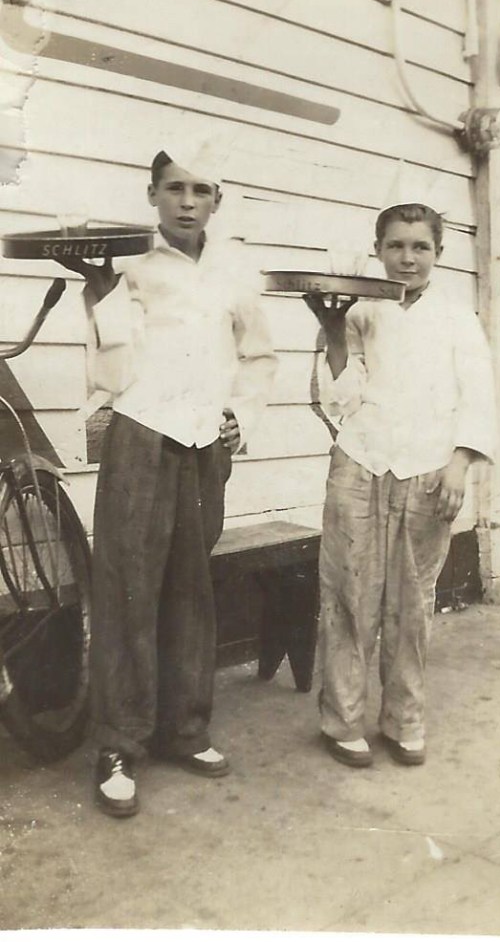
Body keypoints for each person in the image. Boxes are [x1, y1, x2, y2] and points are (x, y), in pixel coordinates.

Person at [62, 144, 277, 817]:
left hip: (205, 443)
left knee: (191, 587)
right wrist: (102, 294)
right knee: (128, 589)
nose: (187, 202)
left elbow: (259, 357)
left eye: (200, 190)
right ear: (152, 194)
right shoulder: (129, 266)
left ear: (218, 200)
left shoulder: (235, 272)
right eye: (175, 188)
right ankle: (119, 744)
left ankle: (184, 729)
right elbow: (111, 372)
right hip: (141, 436)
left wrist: (241, 416)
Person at [304, 200, 495, 769]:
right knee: (349, 593)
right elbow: (338, 400)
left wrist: (459, 464)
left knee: (412, 603)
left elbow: (478, 397)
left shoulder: (457, 318)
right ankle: (342, 720)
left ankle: (404, 719)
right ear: (378, 249)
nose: (407, 258)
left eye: (420, 247)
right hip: (361, 463)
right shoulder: (357, 309)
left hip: (430, 471)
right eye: (395, 246)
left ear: (439, 252)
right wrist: (332, 329)